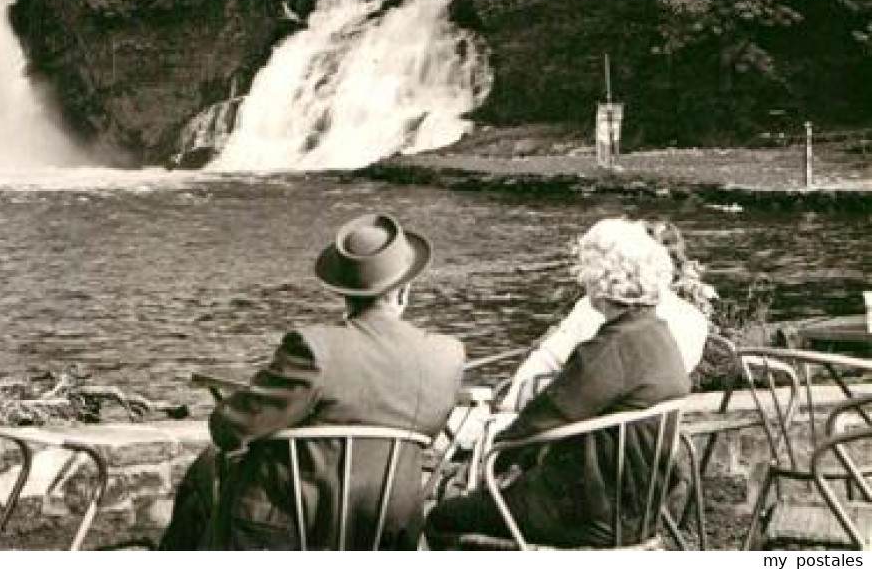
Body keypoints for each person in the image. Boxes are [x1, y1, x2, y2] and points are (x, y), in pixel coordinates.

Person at [160, 214, 464, 550]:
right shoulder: (447, 356)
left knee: (206, 468)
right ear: (405, 291)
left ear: (343, 293)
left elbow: (228, 429)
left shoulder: (314, 348)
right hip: (387, 530)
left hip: (291, 529)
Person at [426, 219, 691, 549]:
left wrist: (489, 462)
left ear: (600, 281)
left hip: (588, 514)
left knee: (444, 518)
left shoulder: (608, 350)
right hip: (642, 510)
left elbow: (542, 418)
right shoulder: (658, 335)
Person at [499, 219, 711, 409]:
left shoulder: (608, 345)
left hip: (593, 434)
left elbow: (555, 405)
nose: (582, 280)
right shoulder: (676, 325)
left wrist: (508, 412)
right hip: (644, 432)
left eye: (587, 273)